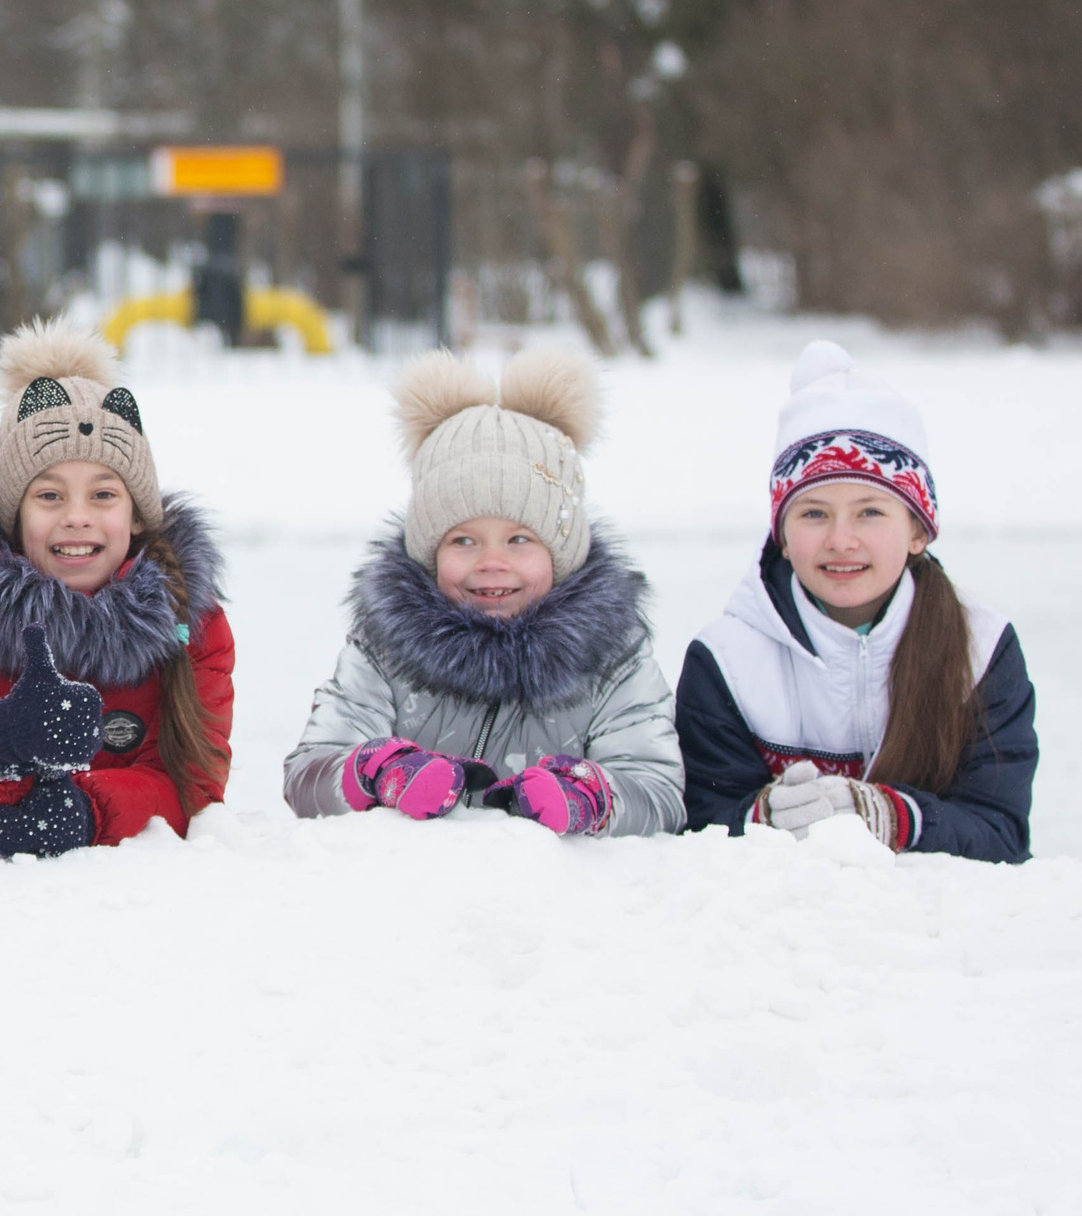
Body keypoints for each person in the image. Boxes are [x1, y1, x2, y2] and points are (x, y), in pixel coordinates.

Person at [283, 348, 684, 838]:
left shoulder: (612, 656)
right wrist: (374, 770)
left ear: (563, 551)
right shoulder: (386, 648)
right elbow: (309, 776)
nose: (492, 562)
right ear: (429, 552)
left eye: (519, 540)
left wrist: (591, 796)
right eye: (463, 540)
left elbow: (659, 790)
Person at [0, 321, 232, 856]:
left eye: (103, 495)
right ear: (12, 517)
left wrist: (90, 810)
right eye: (48, 496)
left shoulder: (192, 627)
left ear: (137, 516)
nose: (76, 518)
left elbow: (192, 788)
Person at [674, 341, 1036, 862]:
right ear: (781, 533)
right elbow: (697, 831)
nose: (841, 540)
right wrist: (762, 819)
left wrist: (893, 816)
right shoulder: (727, 660)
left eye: (870, 512)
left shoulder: (983, 650)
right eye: (814, 514)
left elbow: (999, 834)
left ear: (918, 530)